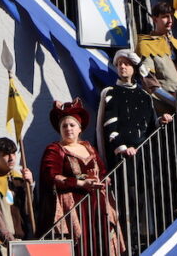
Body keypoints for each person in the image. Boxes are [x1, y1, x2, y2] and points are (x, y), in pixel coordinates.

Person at [39, 99, 123, 256]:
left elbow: (102, 170)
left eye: (72, 125)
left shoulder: (89, 147)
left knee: (100, 242)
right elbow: (51, 177)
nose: (68, 129)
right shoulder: (55, 149)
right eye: (64, 126)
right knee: (81, 247)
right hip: (73, 207)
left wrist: (104, 179)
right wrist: (80, 183)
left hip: (96, 204)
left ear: (80, 128)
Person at [99, 50, 172, 168]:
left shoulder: (145, 95)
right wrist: (123, 149)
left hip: (145, 156)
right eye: (119, 64)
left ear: (134, 68)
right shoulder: (111, 92)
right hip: (122, 158)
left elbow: (151, 123)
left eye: (126, 64)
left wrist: (161, 120)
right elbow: (109, 127)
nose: (122, 66)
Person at [136, 2, 177, 113]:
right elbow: (148, 79)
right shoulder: (146, 44)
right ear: (155, 19)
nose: (170, 20)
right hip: (166, 104)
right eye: (165, 17)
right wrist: (173, 101)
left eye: (171, 16)